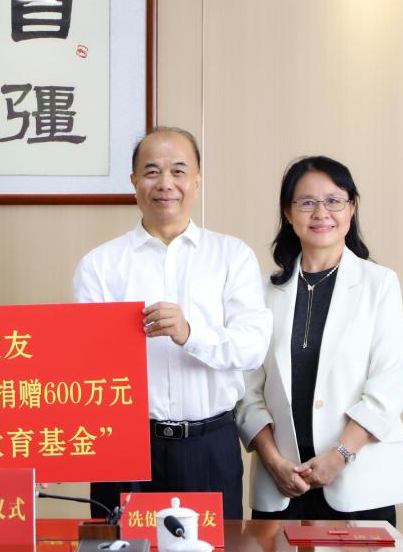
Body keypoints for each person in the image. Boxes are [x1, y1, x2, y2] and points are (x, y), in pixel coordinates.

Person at [73, 127, 272, 520]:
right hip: (124, 447)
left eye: (178, 171)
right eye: (152, 172)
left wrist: (190, 334)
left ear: (196, 181)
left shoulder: (232, 256)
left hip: (209, 446)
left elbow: (252, 347)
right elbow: (86, 362)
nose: (165, 183)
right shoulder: (100, 265)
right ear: (133, 181)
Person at [236, 156, 403, 523]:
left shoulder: (379, 285)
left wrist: (339, 457)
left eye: (334, 200)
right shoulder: (262, 291)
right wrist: (272, 461)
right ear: (288, 213)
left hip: (359, 483)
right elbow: (247, 389)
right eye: (307, 202)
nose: (321, 213)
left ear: (352, 208)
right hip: (281, 484)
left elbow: (386, 387)